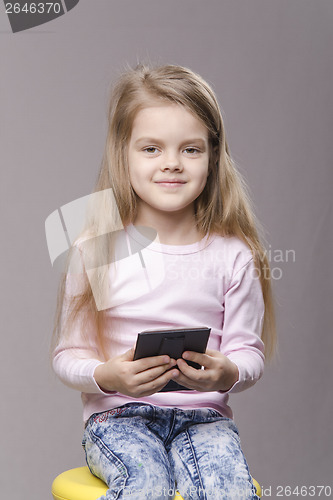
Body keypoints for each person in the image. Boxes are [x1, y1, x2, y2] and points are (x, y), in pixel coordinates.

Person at [52, 64, 276, 500]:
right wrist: (107, 375)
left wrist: (227, 372)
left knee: (228, 488)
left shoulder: (234, 255)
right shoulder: (93, 249)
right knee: (145, 483)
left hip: (205, 421)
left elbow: (248, 352)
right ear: (124, 155)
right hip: (119, 420)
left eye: (191, 149)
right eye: (151, 148)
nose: (171, 163)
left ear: (213, 156)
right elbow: (68, 355)